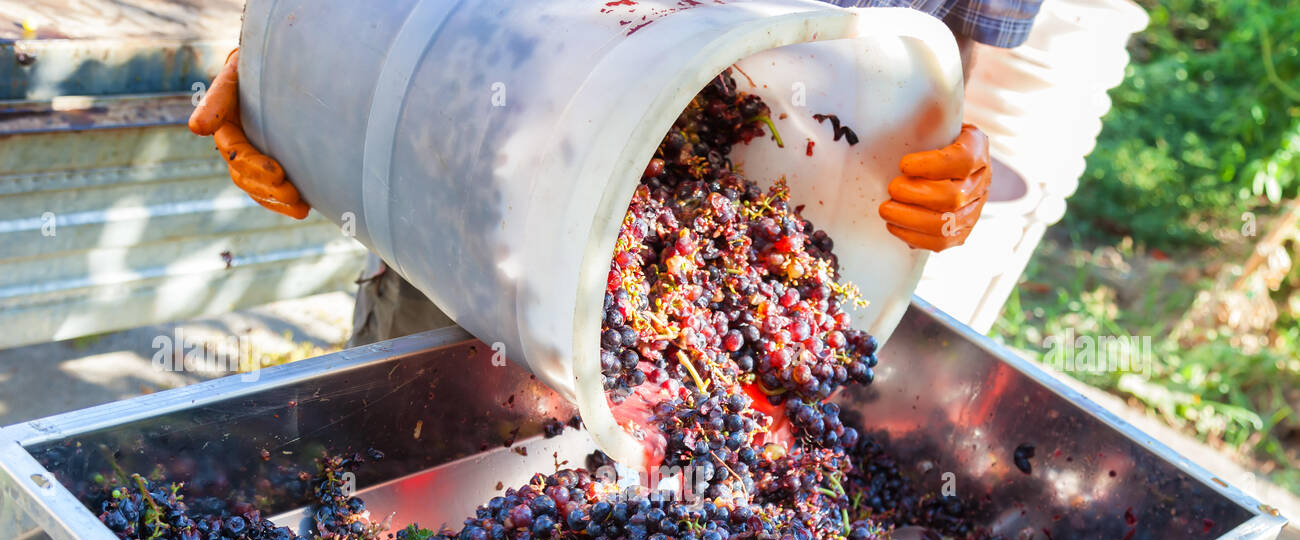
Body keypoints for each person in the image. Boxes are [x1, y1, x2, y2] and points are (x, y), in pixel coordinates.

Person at [190, 0, 1038, 346]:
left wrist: (945, 158)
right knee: (396, 522)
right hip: (477, 199)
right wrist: (291, 64)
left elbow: (932, 59)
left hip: (750, 181)